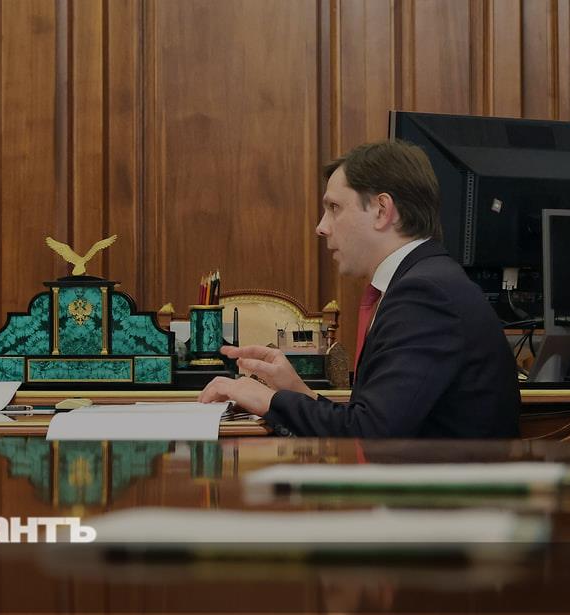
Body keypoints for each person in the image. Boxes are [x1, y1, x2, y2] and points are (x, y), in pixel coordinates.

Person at [199, 140, 520, 437]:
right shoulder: (426, 280)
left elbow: (371, 432)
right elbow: (374, 419)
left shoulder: (425, 294)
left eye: (334, 207)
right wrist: (299, 393)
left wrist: (269, 400)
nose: (321, 227)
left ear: (382, 210)